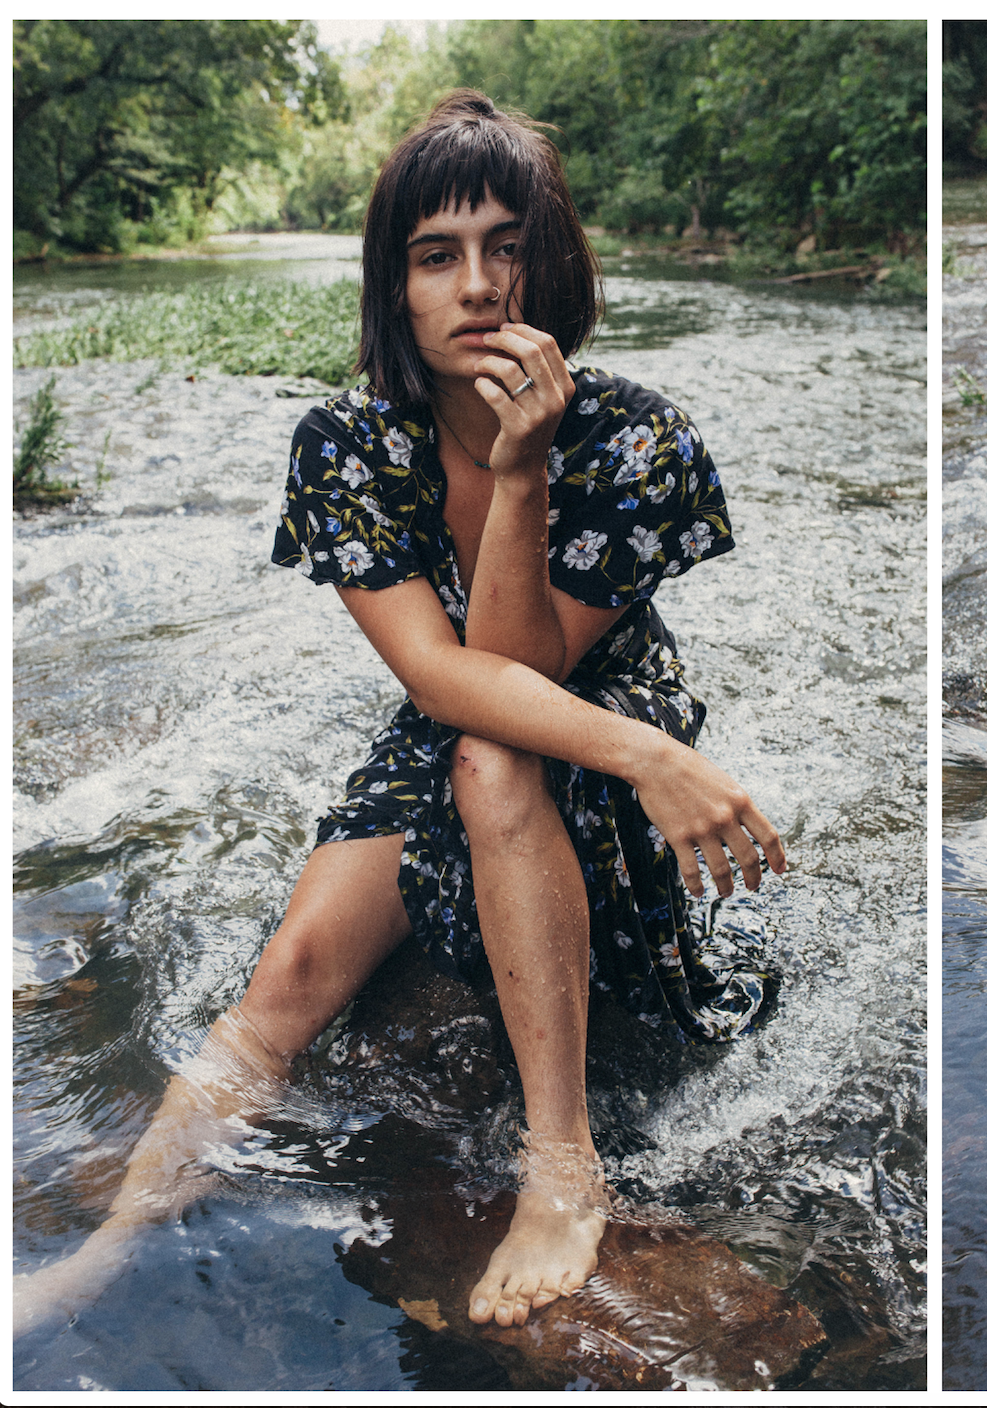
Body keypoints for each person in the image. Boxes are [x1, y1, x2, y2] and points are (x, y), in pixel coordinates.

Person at [15, 91, 786, 1336]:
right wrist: (659, 763)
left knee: (493, 764)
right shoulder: (348, 444)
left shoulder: (636, 438)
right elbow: (442, 679)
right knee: (292, 976)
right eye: (438, 256)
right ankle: (95, 1260)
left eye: (505, 245)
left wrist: (530, 465)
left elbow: (531, 676)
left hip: (592, 692)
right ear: (397, 286)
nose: (477, 285)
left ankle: (561, 1165)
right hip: (481, 713)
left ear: (556, 261)